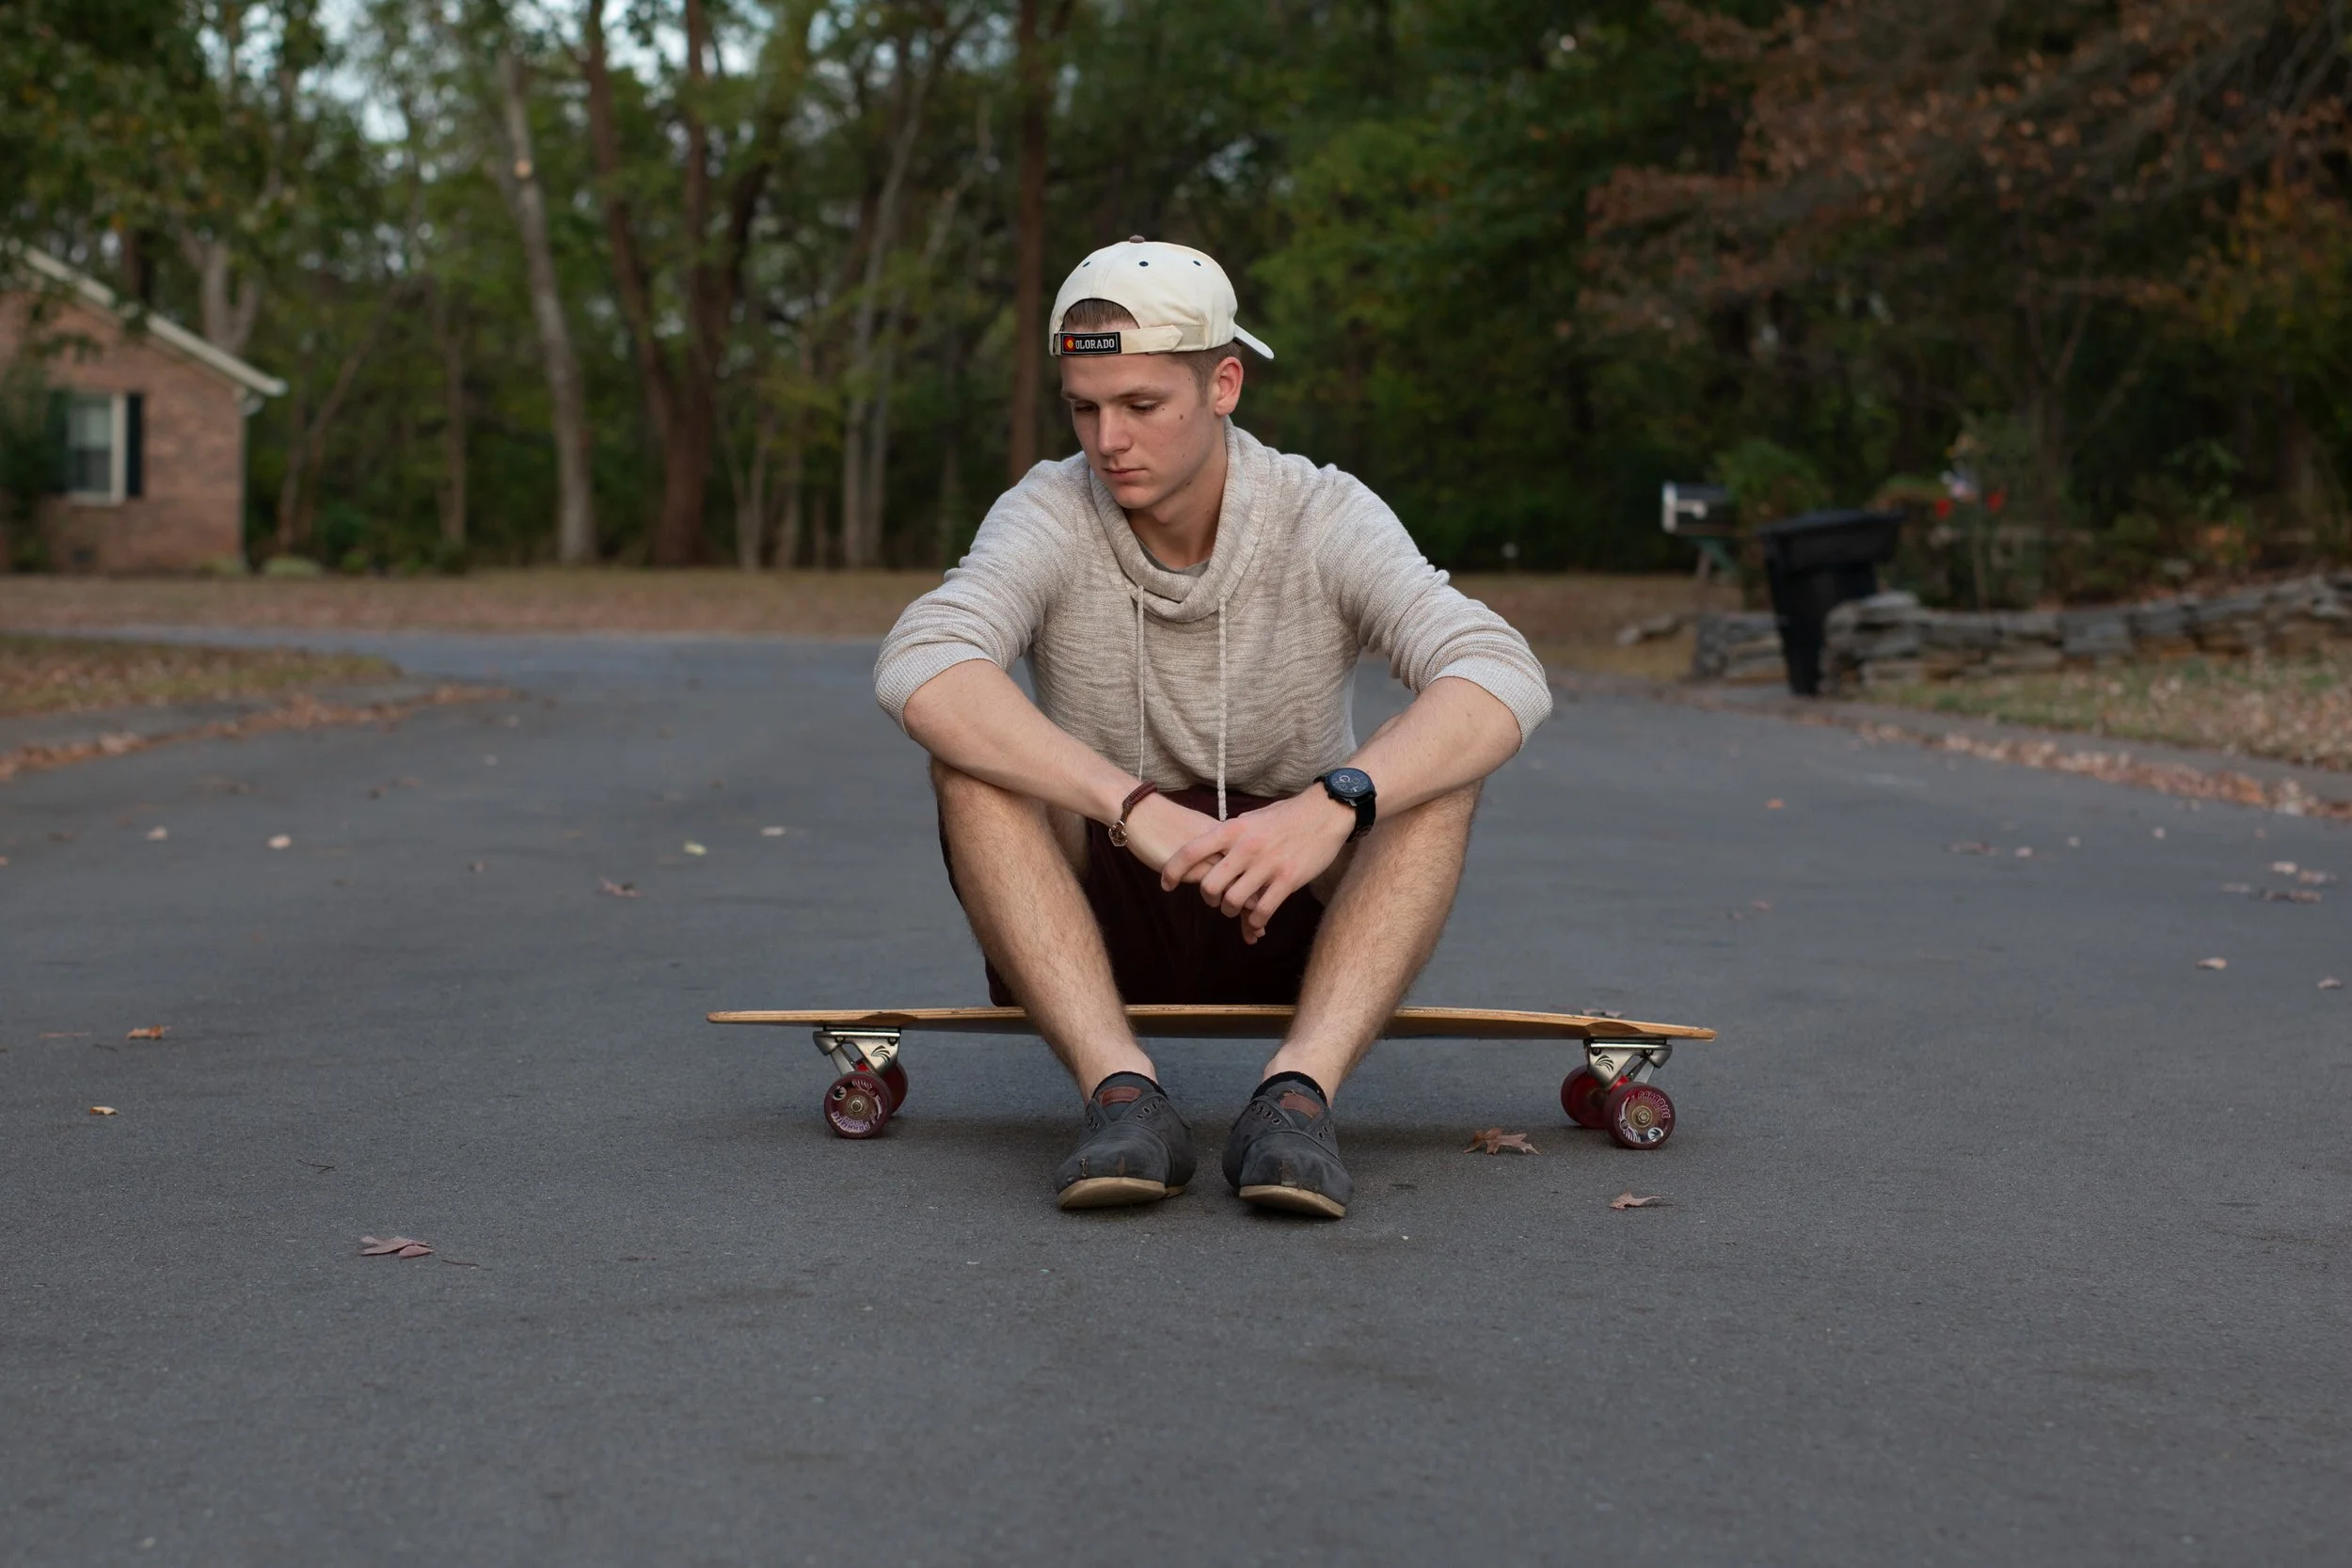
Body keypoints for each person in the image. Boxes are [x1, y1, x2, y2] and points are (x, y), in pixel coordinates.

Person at [875, 237, 1550, 1219]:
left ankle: (1296, 1098)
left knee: (1437, 769)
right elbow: (923, 658)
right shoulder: (1050, 508)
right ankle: (1121, 1095)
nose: (1108, 439)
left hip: (1290, 904)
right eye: (1084, 407)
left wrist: (1336, 803)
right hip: (1095, 917)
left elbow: (1497, 668)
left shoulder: (1321, 512)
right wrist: (1130, 803)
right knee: (970, 763)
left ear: (1224, 383)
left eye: (1141, 404)